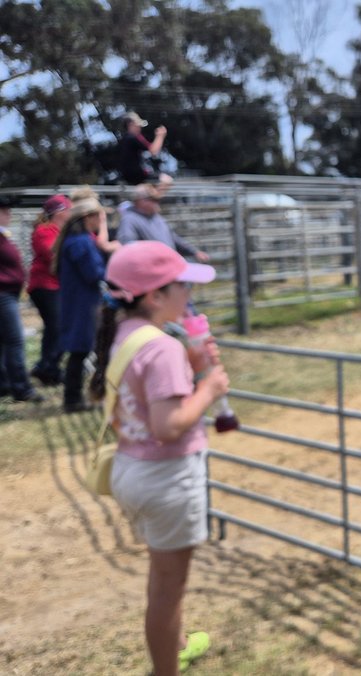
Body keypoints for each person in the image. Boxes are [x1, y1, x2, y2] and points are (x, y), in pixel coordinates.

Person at [93, 240, 225, 676]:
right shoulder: (163, 349)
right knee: (170, 590)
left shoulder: (129, 337)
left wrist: (188, 363)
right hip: (166, 477)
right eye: (182, 286)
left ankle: (176, 644)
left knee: (161, 578)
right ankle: (167, 666)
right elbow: (169, 425)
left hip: (133, 470)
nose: (189, 295)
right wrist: (207, 389)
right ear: (155, 296)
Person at [53, 197, 111, 412]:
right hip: (82, 302)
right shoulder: (80, 242)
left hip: (79, 300)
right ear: (88, 217)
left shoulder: (76, 239)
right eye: (99, 216)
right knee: (80, 350)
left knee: (81, 350)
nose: (101, 221)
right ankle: (72, 399)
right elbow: (93, 273)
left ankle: (75, 397)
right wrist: (112, 275)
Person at [0, 195, 44, 403]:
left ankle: (5, 383)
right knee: (14, 341)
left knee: (4, 342)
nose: (8, 215)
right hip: (3, 295)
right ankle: (21, 388)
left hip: (8, 294)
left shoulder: (3, 236)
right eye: (4, 211)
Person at [27, 194, 72, 386]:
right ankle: (47, 367)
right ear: (59, 212)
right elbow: (51, 254)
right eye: (68, 210)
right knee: (57, 327)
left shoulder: (65, 231)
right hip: (44, 286)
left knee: (56, 328)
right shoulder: (45, 230)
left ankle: (47, 367)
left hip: (57, 286)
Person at [118, 184, 209, 262]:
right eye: (153, 200)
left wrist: (194, 252)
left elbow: (173, 238)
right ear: (141, 201)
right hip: (150, 269)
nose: (157, 203)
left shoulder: (157, 218)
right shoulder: (129, 219)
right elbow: (128, 245)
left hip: (168, 264)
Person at [117, 111, 168, 186]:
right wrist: (160, 135)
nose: (140, 128)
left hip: (125, 175)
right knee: (166, 180)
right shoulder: (133, 137)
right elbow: (153, 150)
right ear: (131, 125)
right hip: (136, 175)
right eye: (138, 125)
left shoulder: (123, 139)